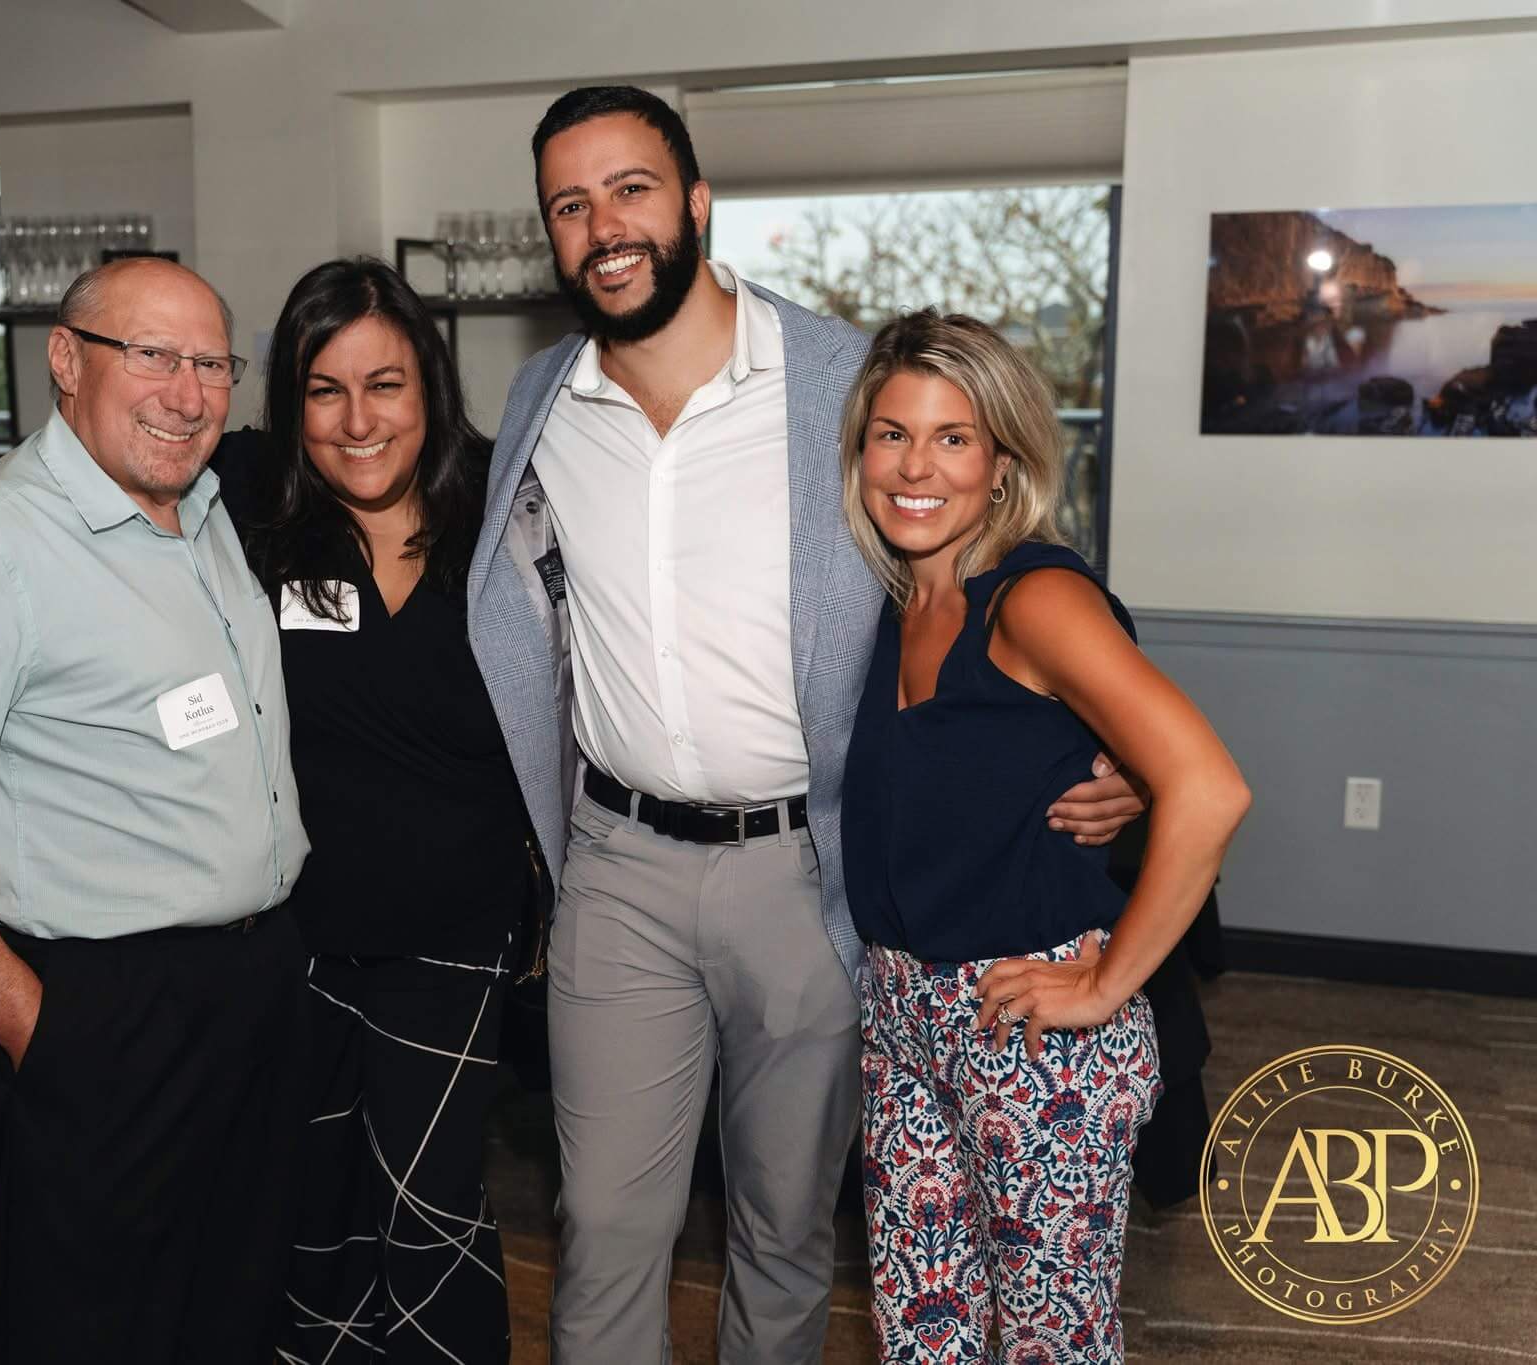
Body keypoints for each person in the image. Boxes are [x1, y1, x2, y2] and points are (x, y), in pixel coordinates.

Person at [466, 85, 1147, 1360]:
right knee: (604, 1220)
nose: (603, 225)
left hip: (806, 869)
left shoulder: (838, 379)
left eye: (631, 190)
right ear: (549, 235)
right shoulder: (538, 406)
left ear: (696, 203)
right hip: (613, 866)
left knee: (783, 1227)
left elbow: (997, 561)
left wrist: (1106, 755)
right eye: (570, 203)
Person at [0, 256, 309, 1363]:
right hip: (103, 1003)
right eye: (150, 355)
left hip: (246, 986)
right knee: (86, 1322)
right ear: (65, 359)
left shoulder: (200, 510)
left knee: (230, 1304)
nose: (186, 394)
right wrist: (31, 1022)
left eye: (210, 365)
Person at [840, 309, 1251, 1363]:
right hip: (899, 1021)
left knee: (1047, 1344)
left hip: (1031, 1035)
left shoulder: (1035, 598)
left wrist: (1108, 986)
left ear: (1003, 458)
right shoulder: (891, 599)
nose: (914, 466)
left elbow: (1206, 787)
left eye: (951, 436)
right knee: (920, 1333)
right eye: (890, 434)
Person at [211, 258, 526, 1364]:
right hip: (294, 938)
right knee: (315, 1204)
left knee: (427, 1203)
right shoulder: (254, 518)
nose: (356, 421)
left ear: (430, 388)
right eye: (323, 389)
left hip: (454, 934)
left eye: (383, 384)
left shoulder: (508, 515)